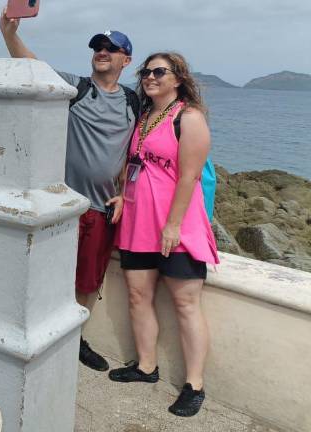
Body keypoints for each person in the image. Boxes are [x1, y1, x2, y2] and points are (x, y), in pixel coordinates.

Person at [0, 10, 137, 371]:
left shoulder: (133, 102)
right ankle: (40, 336)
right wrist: (8, 33)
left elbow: (133, 153)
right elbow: (32, 65)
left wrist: (125, 193)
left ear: (127, 59)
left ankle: (74, 338)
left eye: (111, 48)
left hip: (102, 208)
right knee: (46, 276)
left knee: (88, 282)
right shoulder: (76, 88)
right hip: (64, 205)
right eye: (98, 47)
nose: (103, 51)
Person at [110, 52, 219, 417]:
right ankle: (145, 367)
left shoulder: (189, 118)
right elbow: (134, 164)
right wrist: (123, 195)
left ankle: (195, 385)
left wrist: (172, 225)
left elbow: (188, 177)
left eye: (159, 71)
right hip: (139, 222)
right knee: (138, 295)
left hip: (177, 227)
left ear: (177, 78)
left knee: (186, 305)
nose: (150, 77)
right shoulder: (144, 116)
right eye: (146, 71)